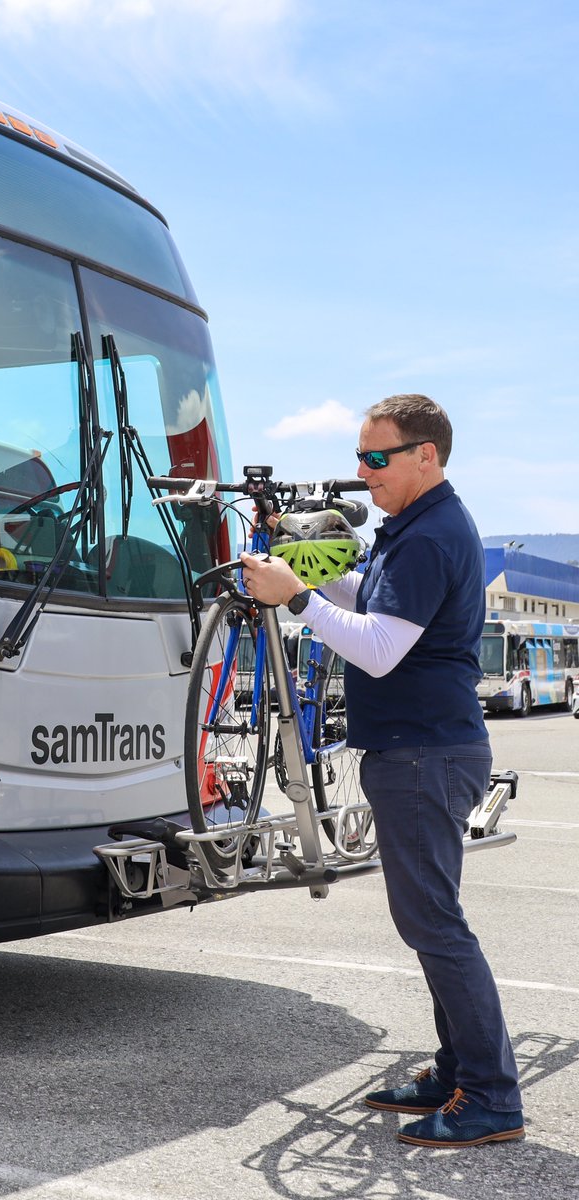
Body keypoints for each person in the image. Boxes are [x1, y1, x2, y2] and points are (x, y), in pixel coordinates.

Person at [240, 394, 524, 1148]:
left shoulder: (430, 536)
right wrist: (307, 574)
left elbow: (378, 647)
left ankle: (491, 1097)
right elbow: (371, 601)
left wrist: (295, 597)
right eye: (359, 460)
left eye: (376, 459)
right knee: (430, 921)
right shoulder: (421, 528)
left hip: (424, 752)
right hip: (423, 748)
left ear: (424, 455)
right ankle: (458, 1067)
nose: (363, 476)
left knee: (434, 923)